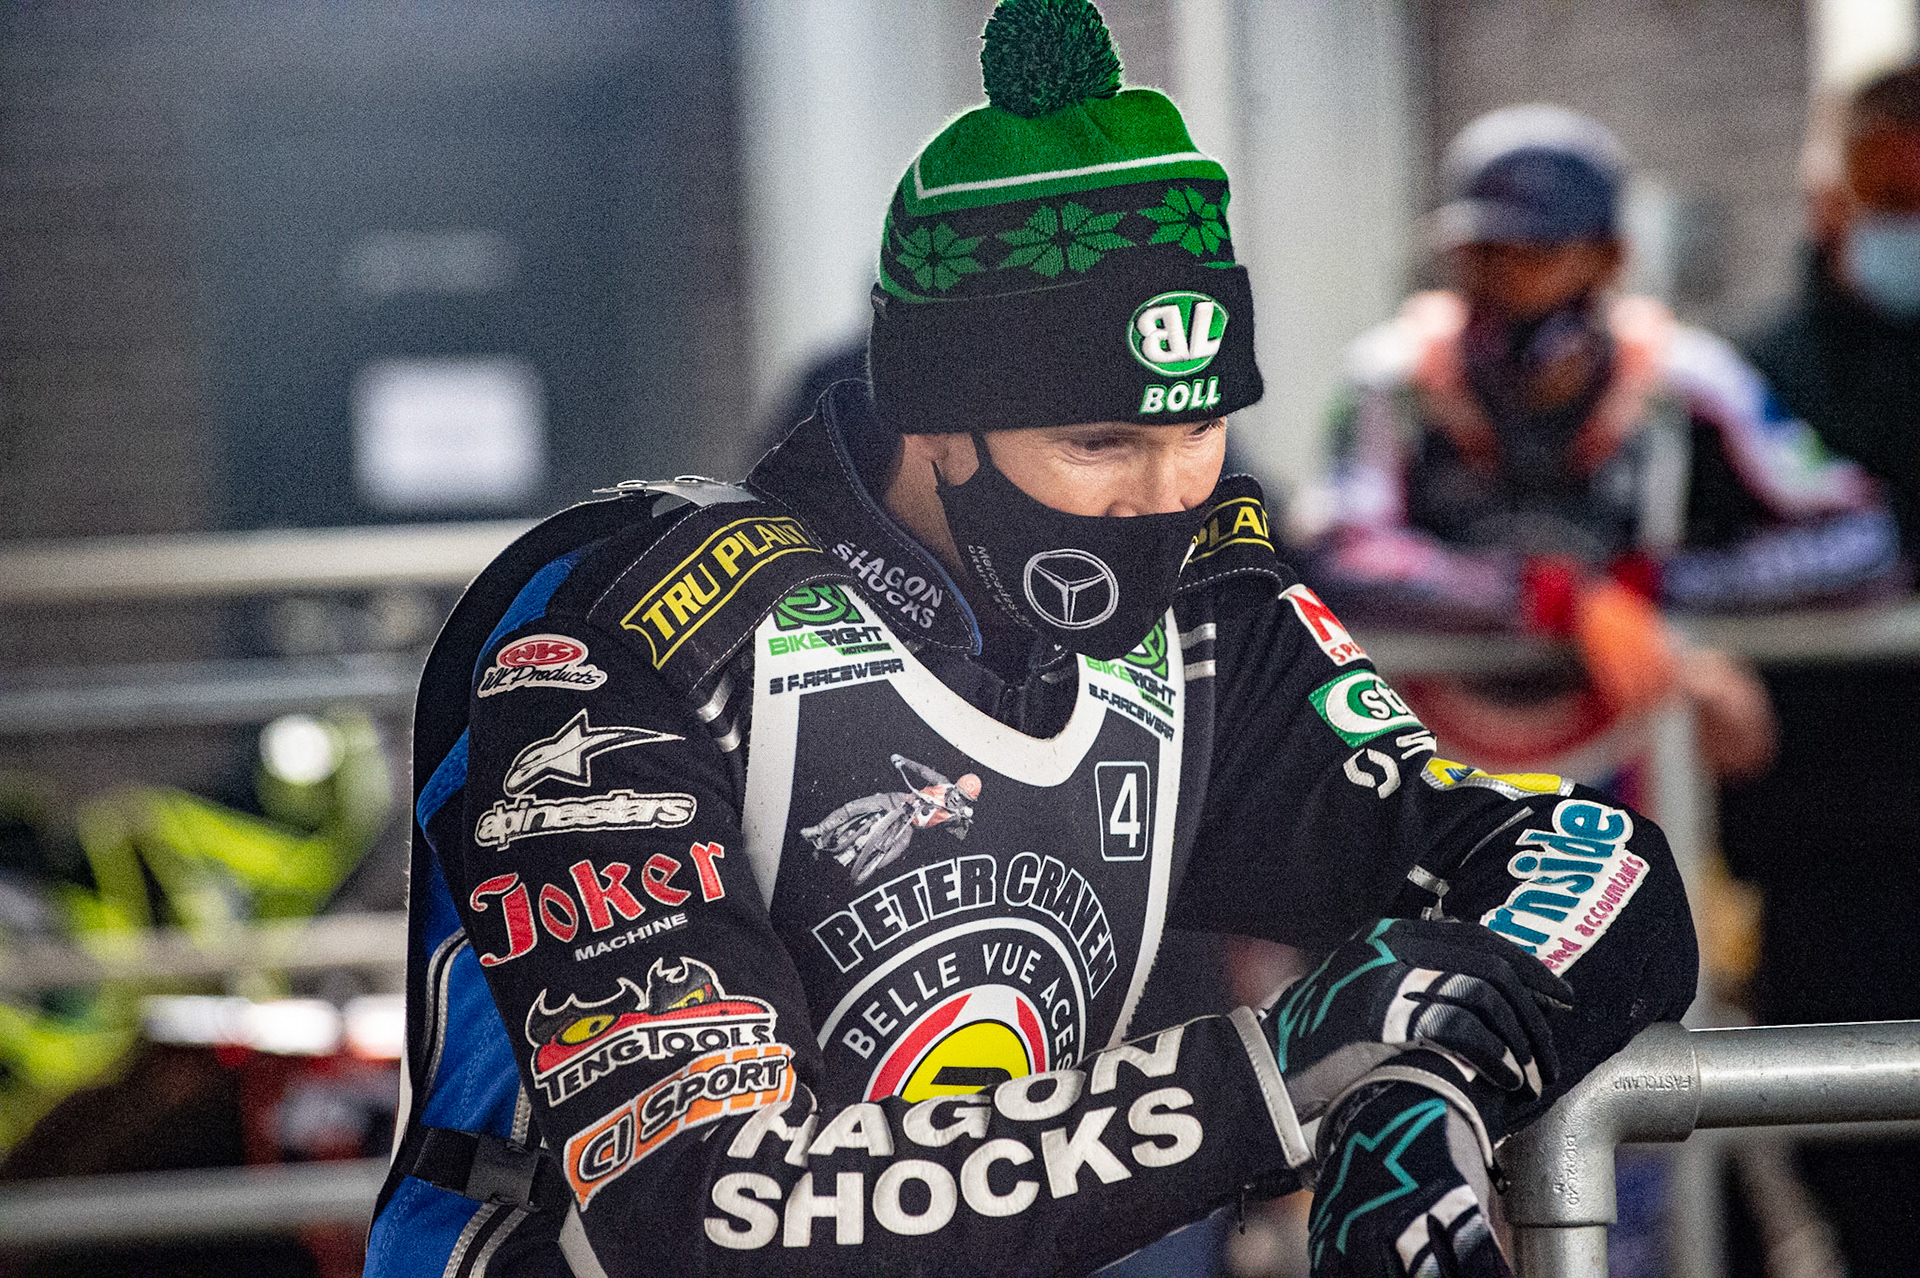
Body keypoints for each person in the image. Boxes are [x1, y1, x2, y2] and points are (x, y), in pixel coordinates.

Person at [365, 9, 1696, 1276]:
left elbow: (1581, 864)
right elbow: (709, 1213)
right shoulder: (635, 643)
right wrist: (1290, 1077)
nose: (1167, 496)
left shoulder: (1201, 625)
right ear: (935, 421)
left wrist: (1420, 1082)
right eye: (1099, 442)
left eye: (1199, 427)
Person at [1299, 104, 1904, 792]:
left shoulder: (1685, 378)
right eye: (1484, 255)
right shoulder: (1395, 378)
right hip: (1423, 753)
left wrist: (1662, 592)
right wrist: (1557, 599)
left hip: (1625, 746)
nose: (1507, 283)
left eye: (1539, 255)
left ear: (1610, 256)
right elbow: (1333, 555)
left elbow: (1862, 541)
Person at [1727, 63, 1920, 1278]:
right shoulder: (1759, 381)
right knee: (1847, 1160)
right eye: (1892, 197)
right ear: (1834, 197)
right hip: (1826, 853)